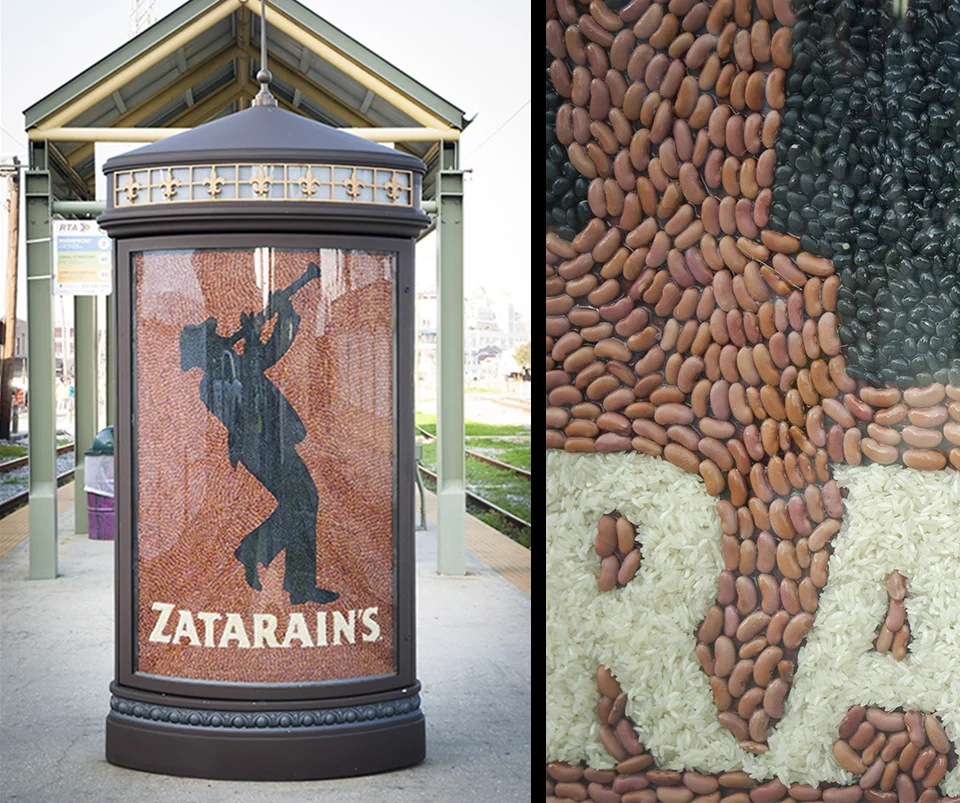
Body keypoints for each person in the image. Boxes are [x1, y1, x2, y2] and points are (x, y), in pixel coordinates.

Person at [179, 261, 337, 605]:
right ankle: (264, 560)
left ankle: (276, 569)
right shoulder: (216, 379)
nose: (222, 333)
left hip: (270, 444)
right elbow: (259, 372)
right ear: (206, 352)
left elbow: (268, 353)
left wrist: (283, 313)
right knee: (303, 502)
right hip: (259, 447)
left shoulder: (228, 365)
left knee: (302, 503)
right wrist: (259, 332)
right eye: (214, 335)